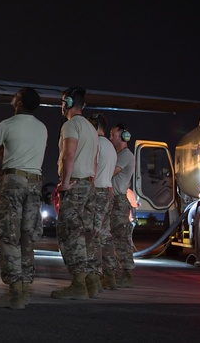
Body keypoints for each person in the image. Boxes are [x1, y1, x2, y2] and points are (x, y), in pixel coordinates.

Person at [0, 87, 47, 309]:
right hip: (35, 183)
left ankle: (14, 292)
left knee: (8, 235)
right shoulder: (42, 128)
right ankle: (25, 289)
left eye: (16, 95)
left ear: (19, 102)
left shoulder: (6, 125)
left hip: (13, 182)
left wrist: (1, 171)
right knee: (28, 237)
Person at [52, 86, 99, 300]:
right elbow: (95, 161)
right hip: (89, 184)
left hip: (75, 185)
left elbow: (68, 156)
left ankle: (78, 284)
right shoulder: (90, 127)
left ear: (69, 103)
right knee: (86, 234)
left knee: (69, 233)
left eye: (63, 101)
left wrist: (64, 183)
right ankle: (91, 282)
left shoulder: (71, 125)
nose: (61, 105)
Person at [88, 113, 118, 292]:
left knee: (93, 236)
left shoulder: (96, 144)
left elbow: (93, 169)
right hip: (108, 192)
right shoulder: (111, 147)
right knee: (106, 238)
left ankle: (94, 278)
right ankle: (111, 277)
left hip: (97, 193)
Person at [110, 122, 137, 288]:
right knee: (114, 238)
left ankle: (127, 274)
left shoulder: (125, 155)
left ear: (123, 136)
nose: (110, 137)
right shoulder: (118, 154)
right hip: (114, 200)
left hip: (119, 200)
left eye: (113, 135)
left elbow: (110, 172)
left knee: (121, 238)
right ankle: (117, 272)